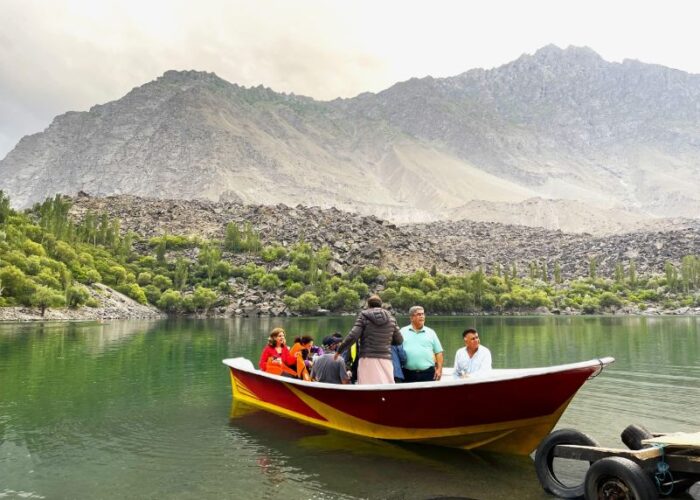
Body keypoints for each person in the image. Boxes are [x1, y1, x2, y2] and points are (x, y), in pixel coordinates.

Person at [335, 295, 403, 385]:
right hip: (386, 359)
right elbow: (399, 340)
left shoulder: (363, 316)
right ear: (381, 305)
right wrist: (385, 341)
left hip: (367, 359)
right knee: (386, 387)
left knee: (366, 388)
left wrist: (339, 351)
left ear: (368, 305)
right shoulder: (391, 318)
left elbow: (353, 336)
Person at [400, 305, 444, 382]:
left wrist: (439, 369)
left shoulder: (431, 332)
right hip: (408, 373)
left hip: (428, 373)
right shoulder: (402, 331)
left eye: (423, 314)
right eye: (419, 314)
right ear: (411, 318)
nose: (422, 316)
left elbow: (438, 352)